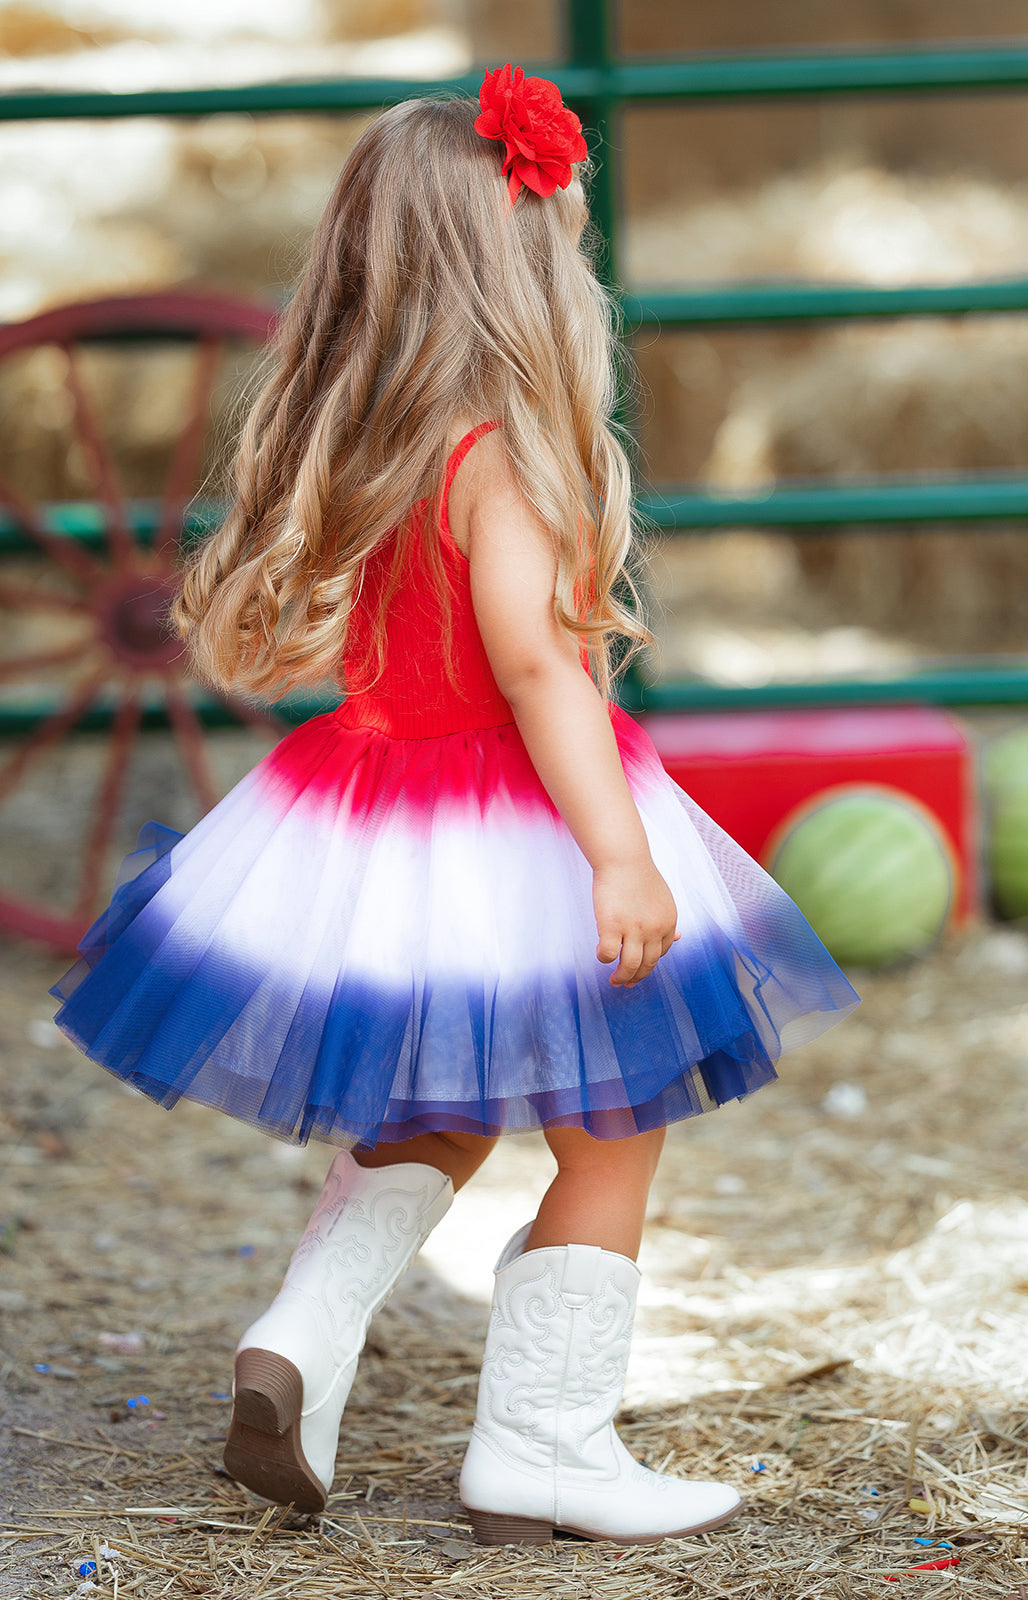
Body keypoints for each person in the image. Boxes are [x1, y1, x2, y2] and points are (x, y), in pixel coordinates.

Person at [51, 66, 861, 1546]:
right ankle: (545, 1444)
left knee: (438, 1100)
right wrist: (619, 852)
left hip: (373, 812)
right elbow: (543, 675)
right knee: (615, 1127)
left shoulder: (370, 442)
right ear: (529, 268)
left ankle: (303, 1327)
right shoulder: (507, 457)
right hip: (522, 817)